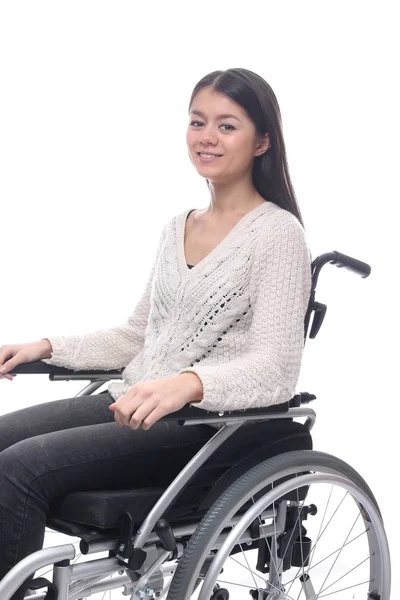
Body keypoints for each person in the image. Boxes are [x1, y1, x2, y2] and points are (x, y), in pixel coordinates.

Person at [0, 67, 312, 599]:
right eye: (198, 122)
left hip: (205, 427)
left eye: (227, 125)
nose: (207, 137)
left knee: (17, 469)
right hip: (139, 399)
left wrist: (188, 383)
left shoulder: (278, 233)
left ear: (262, 141)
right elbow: (136, 337)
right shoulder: (178, 226)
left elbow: (276, 367)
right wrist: (50, 346)